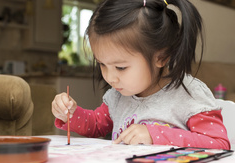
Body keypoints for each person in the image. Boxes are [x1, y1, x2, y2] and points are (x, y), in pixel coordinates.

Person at [52, 0, 230, 150]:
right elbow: (96, 125)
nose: (110, 77)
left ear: (161, 57)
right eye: (102, 64)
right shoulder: (118, 96)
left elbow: (219, 144)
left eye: (120, 67)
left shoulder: (189, 95)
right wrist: (70, 114)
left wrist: (155, 135)